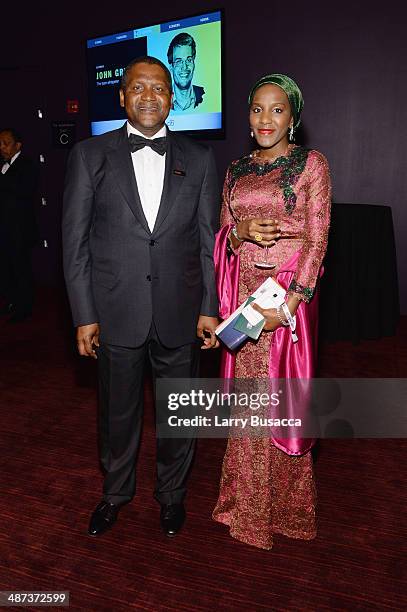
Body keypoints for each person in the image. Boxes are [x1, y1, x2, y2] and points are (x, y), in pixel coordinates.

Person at [62, 56, 219, 538]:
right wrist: (84, 315)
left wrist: (210, 308)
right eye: (139, 87)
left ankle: (172, 496)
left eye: (159, 88)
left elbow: (207, 242)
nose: (149, 96)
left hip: (180, 310)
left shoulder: (201, 159)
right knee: (117, 413)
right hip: (114, 310)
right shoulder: (90, 155)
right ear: (123, 96)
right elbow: (76, 242)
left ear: (173, 98)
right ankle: (115, 493)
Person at [212, 74, 331, 549]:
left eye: (277, 109)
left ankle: (285, 512)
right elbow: (223, 233)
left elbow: (319, 239)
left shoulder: (311, 165)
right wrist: (239, 232)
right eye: (257, 109)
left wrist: (295, 303)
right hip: (244, 295)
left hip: (286, 297)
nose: (266, 118)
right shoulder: (236, 169)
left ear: (294, 116)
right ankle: (243, 506)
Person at [0, 128, 38, 323]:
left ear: (18, 145)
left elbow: (22, 191)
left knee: (20, 269)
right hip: (4, 229)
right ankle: (13, 302)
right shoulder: (2, 164)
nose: (2, 147)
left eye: (6, 143)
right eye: (0, 143)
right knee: (6, 269)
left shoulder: (27, 165)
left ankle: (25, 307)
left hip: (19, 230)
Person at [167, 33, 205, 111]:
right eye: (179, 61)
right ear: (171, 67)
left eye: (189, 60)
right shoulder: (163, 99)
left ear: (194, 64)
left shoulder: (205, 95)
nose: (184, 67)